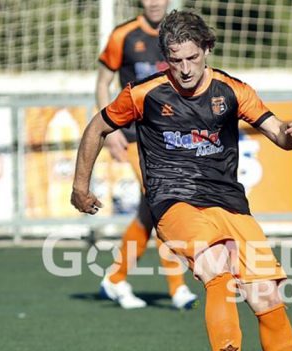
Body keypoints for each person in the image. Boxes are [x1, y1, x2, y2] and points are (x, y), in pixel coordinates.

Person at [71, 10, 292, 351]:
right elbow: (96, 128)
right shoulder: (144, 93)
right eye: (175, 60)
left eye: (192, 58)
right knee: (219, 271)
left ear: (206, 50)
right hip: (174, 202)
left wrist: (291, 135)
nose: (185, 69)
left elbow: (277, 132)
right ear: (166, 57)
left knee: (266, 297)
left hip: (229, 203)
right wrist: (79, 187)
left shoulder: (232, 90)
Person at [95, 0, 198, 310]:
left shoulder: (182, 36)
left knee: (148, 212)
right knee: (163, 202)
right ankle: (177, 287)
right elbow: (103, 82)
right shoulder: (123, 35)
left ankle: (115, 278)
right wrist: (109, 129)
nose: (154, 2)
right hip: (135, 137)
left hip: (171, 136)